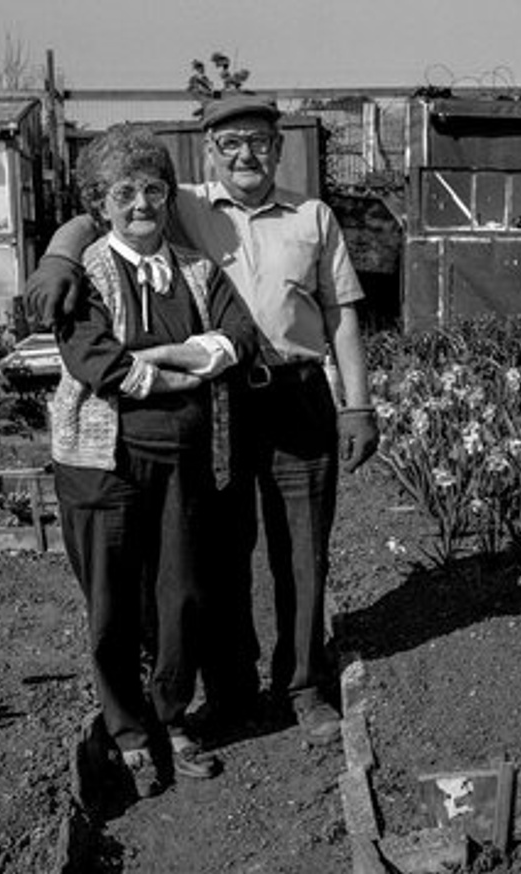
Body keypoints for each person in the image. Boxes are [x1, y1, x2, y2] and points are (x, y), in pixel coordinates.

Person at [27, 93, 380, 746]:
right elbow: (98, 211)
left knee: (303, 553)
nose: (246, 155)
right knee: (219, 550)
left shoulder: (313, 216)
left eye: (260, 142)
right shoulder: (180, 200)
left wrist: (356, 404)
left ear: (279, 149)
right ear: (210, 152)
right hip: (223, 403)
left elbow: (343, 314)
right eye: (230, 144)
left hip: (298, 396)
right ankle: (231, 685)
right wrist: (57, 256)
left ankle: (303, 685)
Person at [49, 122, 258, 796]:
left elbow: (239, 338)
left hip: (184, 463)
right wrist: (185, 366)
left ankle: (171, 716)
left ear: (169, 197)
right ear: (99, 204)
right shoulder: (84, 277)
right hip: (101, 468)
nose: (142, 204)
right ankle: (129, 732)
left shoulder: (198, 270)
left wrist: (166, 357)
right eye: (124, 192)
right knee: (112, 602)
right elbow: (100, 365)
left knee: (182, 594)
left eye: (154, 190)